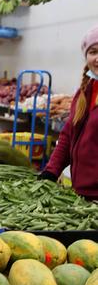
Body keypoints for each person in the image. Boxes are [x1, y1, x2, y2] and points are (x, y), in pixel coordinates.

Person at [40, 24, 98, 200]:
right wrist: (51, 171)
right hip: (82, 193)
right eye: (93, 52)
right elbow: (68, 134)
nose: (97, 58)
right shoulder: (85, 91)